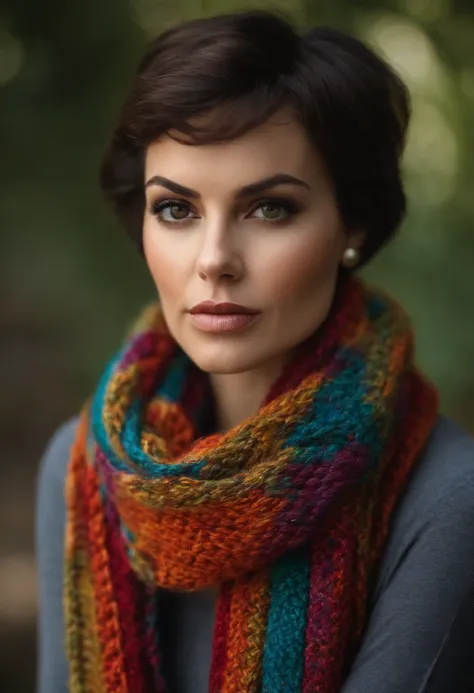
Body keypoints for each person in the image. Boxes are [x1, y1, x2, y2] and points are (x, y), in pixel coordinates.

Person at [36, 9, 474, 693]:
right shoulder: (84, 463)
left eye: (270, 208)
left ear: (351, 223)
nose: (214, 261)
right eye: (176, 209)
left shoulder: (449, 496)